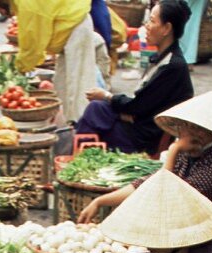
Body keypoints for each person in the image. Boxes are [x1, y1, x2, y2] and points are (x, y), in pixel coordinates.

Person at [80, 90, 212, 253]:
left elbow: (164, 197)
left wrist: (174, 150)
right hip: (193, 241)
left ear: (205, 133)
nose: (181, 132)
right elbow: (149, 183)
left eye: (187, 128)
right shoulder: (191, 152)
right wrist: (101, 201)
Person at [75, 0, 193, 155]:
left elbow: (137, 107)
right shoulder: (164, 59)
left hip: (142, 138)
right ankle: (81, 154)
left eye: (151, 21)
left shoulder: (172, 67)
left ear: (166, 28)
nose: (146, 26)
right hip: (138, 123)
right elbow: (142, 103)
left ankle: (81, 159)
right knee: (97, 109)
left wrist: (107, 96)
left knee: (94, 113)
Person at [0, 0, 98, 123]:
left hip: (76, 26)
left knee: (79, 85)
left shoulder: (28, 6)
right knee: (62, 83)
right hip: (69, 28)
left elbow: (33, 45)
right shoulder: (22, 5)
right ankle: (66, 123)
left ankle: (82, 126)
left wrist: (19, 68)